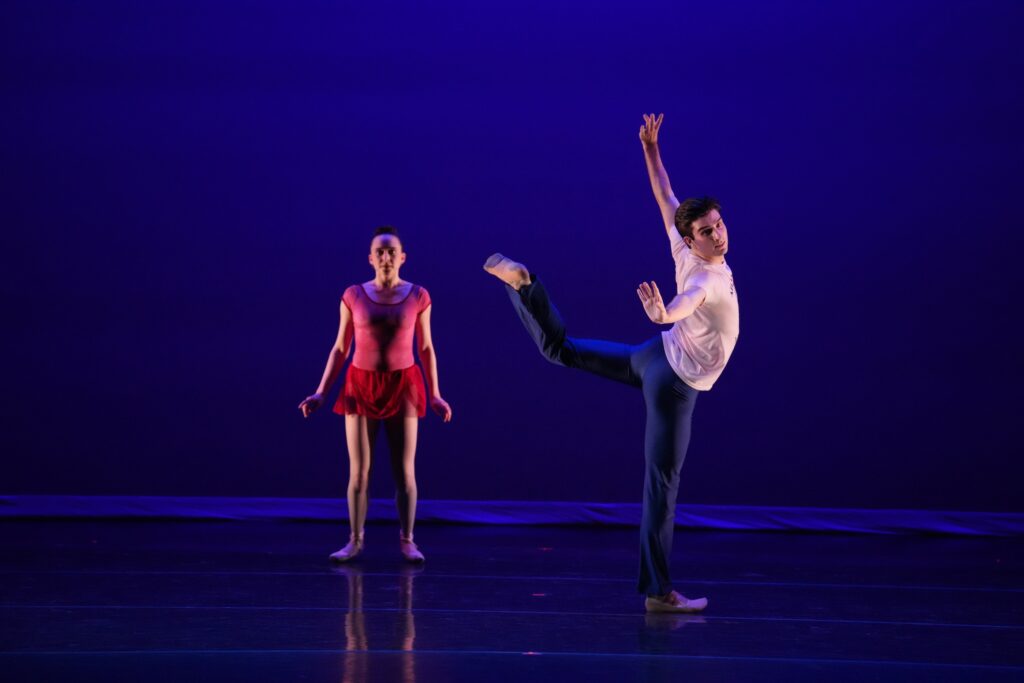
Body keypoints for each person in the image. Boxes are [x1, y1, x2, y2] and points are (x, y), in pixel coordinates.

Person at [482, 113, 738, 613]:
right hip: (674, 384)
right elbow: (686, 302)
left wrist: (650, 149)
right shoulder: (701, 278)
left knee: (565, 351)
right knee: (662, 487)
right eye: (708, 232)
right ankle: (659, 593)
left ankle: (525, 287)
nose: (718, 235)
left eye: (719, 224)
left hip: (652, 359)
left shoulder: (686, 248)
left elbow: (665, 196)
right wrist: (665, 312)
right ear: (692, 241)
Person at [299, 226, 452, 564]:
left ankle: (408, 540)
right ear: (371, 258)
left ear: (402, 257)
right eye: (379, 252)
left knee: (404, 471)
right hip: (360, 385)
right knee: (359, 472)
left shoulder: (418, 296)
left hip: (404, 385)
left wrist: (436, 393)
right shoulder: (353, 295)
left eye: (391, 251)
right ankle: (355, 540)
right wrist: (321, 392)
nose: (386, 257)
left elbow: (426, 348)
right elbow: (340, 347)